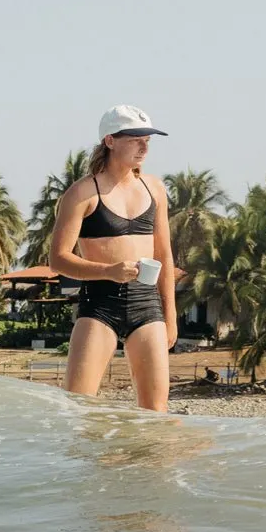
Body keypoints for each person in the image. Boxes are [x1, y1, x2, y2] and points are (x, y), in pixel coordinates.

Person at [50, 105, 177, 412]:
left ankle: (142, 462)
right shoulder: (82, 193)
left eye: (148, 139)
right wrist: (109, 270)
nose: (144, 146)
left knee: (155, 413)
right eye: (135, 138)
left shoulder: (155, 188)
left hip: (147, 306)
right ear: (109, 141)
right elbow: (58, 259)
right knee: (78, 409)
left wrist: (170, 317)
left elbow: (164, 255)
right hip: (99, 306)